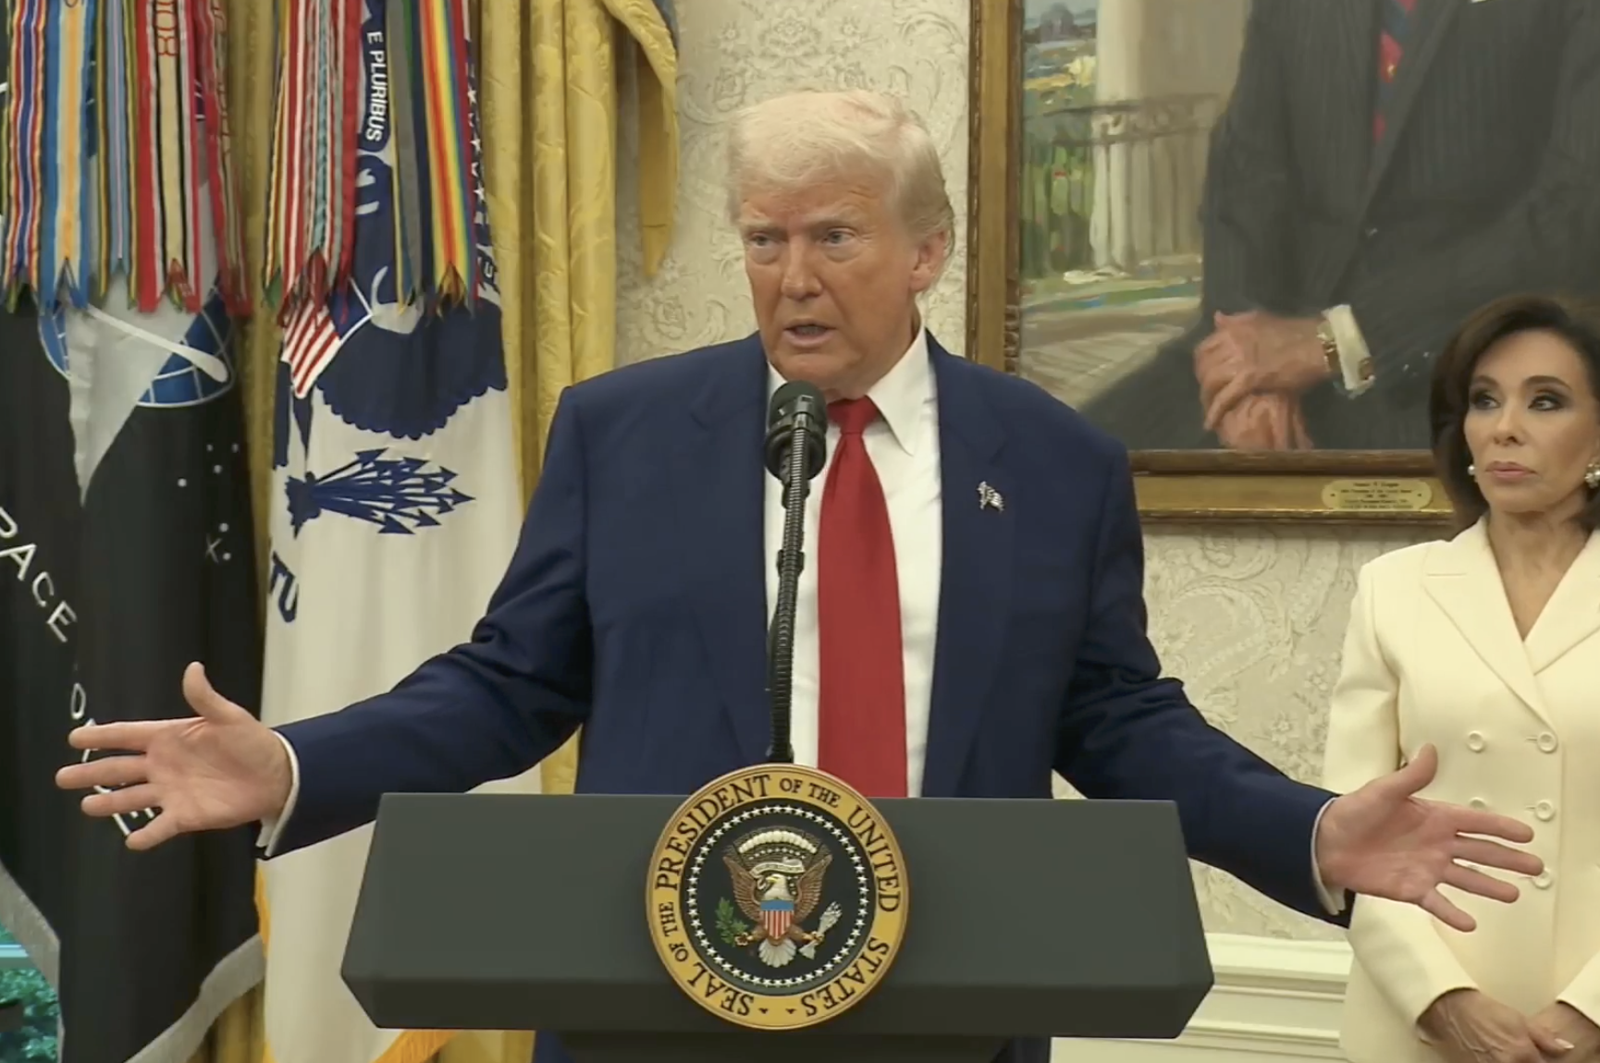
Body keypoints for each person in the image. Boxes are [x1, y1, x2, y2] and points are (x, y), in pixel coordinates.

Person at [58, 90, 1542, 1063]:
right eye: (764, 240)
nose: (792, 276)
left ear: (927, 251)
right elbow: (509, 683)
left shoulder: (1054, 459)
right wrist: (295, 763)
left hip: (954, 1003)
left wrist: (1308, 829)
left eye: (834, 236)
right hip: (652, 1003)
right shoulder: (627, 430)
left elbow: (1116, 717)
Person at [1081, 0, 1600, 451]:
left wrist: (1339, 341)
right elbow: (1244, 180)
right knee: (1067, 471)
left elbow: (1574, 217)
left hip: (1460, 354)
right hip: (1272, 336)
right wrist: (1245, 369)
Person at [1324, 294, 1600, 1063]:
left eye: (1545, 400)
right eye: (1484, 399)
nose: (1505, 426)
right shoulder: (1394, 590)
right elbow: (1351, 832)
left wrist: (1588, 1014)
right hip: (1420, 1026)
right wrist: (1444, 1001)